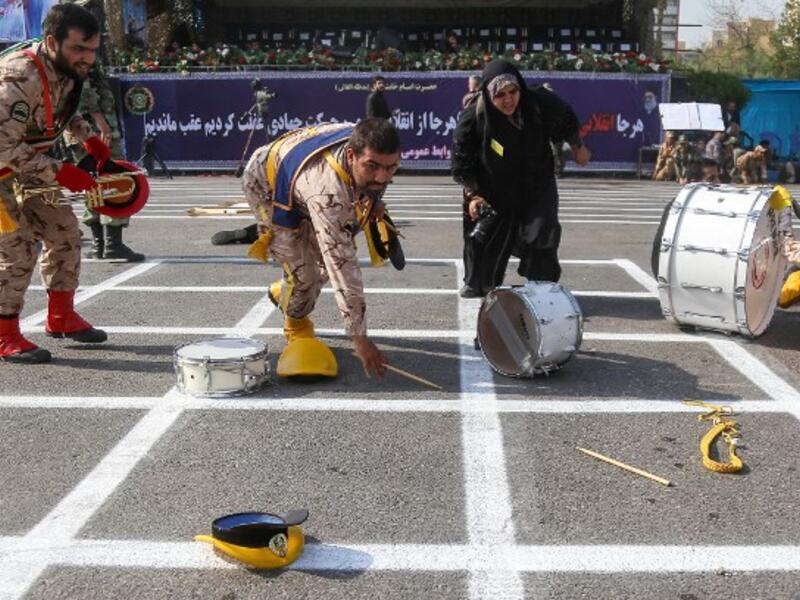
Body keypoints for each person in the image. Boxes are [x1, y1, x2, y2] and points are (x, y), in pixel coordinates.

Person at [242, 118, 401, 379]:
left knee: (321, 264)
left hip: (302, 176)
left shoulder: (366, 144)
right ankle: (296, 324)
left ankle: (284, 292)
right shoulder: (327, 193)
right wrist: (360, 340)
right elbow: (343, 269)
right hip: (266, 186)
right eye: (372, 167)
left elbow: (371, 176)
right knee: (307, 273)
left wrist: (372, 199)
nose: (382, 177)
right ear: (351, 155)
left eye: (391, 167)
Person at [0, 4, 110, 363]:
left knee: (64, 231)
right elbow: (2, 147)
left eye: (93, 50)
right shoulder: (17, 76)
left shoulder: (61, 67)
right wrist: (61, 171)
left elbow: (61, 107)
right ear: (52, 41)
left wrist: (88, 138)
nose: (87, 59)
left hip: (26, 165)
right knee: (15, 249)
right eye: (79, 49)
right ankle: (4, 335)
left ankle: (61, 317)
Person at [451, 59, 590, 298]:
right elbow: (462, 159)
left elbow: (565, 117)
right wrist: (473, 195)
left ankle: (542, 287)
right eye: (500, 95)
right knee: (482, 238)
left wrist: (578, 147)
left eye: (513, 92)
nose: (508, 100)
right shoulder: (474, 116)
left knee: (542, 233)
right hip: (494, 188)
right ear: (488, 94)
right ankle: (478, 281)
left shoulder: (537, 101)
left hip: (537, 182)